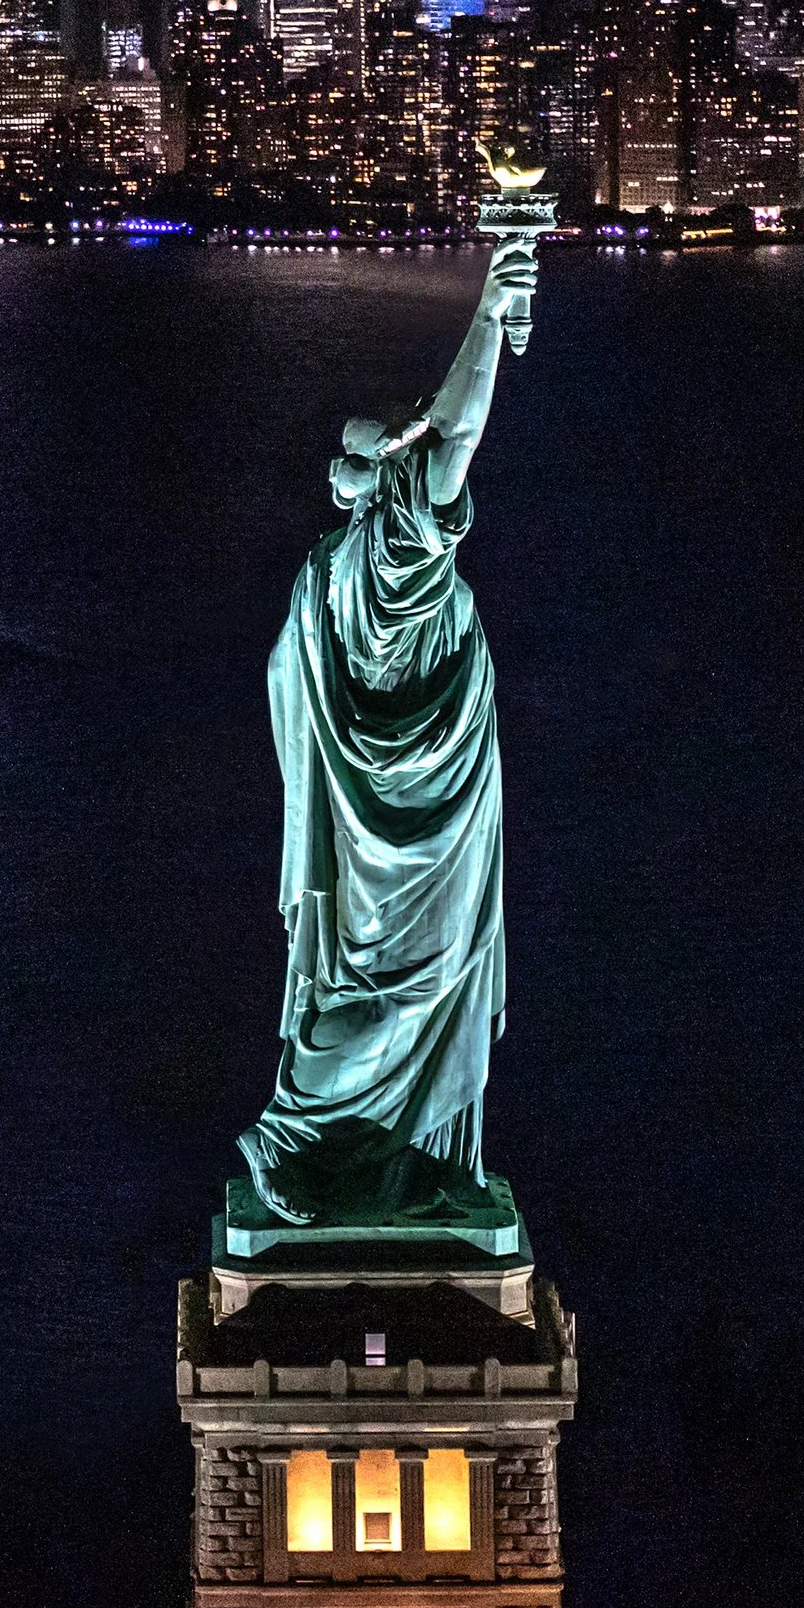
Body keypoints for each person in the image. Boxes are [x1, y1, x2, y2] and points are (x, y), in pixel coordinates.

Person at [234, 229, 541, 1229]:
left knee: (369, 984)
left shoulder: (320, 578)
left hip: (380, 822)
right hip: (428, 822)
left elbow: (286, 681)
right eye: (405, 453)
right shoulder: (387, 556)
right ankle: (312, 1138)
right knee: (406, 984)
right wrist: (490, 310)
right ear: (383, 483)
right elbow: (455, 433)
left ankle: (383, 1156)